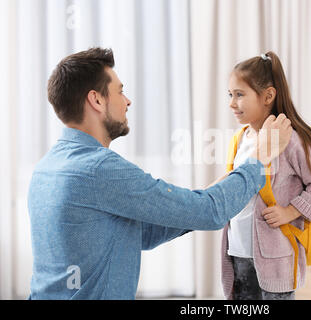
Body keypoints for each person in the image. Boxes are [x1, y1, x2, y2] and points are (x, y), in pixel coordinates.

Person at [27, 47, 293, 300]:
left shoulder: (47, 168)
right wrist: (260, 156)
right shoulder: (99, 170)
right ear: (96, 99)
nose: (127, 101)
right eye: (120, 91)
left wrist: (214, 191)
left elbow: (141, 234)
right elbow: (209, 213)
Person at [221, 52, 311, 300]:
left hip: (276, 257)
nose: (232, 103)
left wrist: (291, 211)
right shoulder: (240, 139)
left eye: (240, 95)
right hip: (238, 251)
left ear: (268, 96)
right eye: (230, 95)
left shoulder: (289, 139)